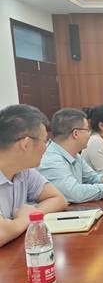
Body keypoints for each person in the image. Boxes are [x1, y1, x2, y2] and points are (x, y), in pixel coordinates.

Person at [0, 104, 66, 247]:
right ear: (26, 144)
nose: (46, 147)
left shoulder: (24, 170)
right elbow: (1, 233)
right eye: (45, 141)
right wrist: (25, 219)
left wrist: (27, 216)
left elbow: (58, 199)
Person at [37, 108, 103, 204]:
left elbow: (91, 177)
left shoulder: (75, 154)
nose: (90, 134)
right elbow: (74, 193)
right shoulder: (51, 159)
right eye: (87, 129)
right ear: (76, 133)